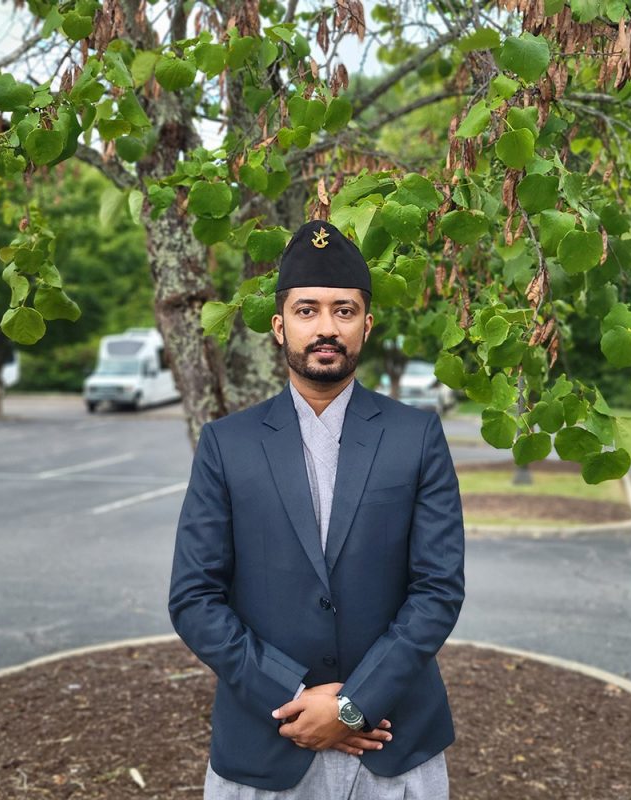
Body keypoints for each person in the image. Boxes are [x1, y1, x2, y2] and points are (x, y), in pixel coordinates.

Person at [168, 219, 465, 799]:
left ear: (367, 324)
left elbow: (438, 590)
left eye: (344, 310)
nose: (326, 327)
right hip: (267, 735)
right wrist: (292, 696)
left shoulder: (417, 436)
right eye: (308, 310)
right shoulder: (227, 444)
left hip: (390, 740)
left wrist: (353, 706)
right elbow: (194, 597)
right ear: (279, 327)